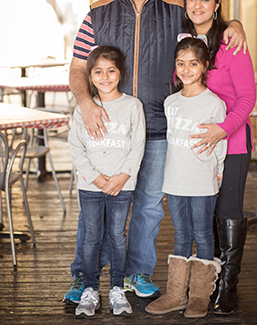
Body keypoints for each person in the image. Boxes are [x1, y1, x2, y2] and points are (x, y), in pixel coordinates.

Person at [63, 0, 247, 305]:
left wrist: (236, 23)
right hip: (108, 129)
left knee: (148, 205)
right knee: (96, 206)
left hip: (160, 127)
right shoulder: (97, 13)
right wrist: (85, 104)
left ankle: (135, 274)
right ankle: (85, 278)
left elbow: (206, 24)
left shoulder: (176, 10)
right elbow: (78, 67)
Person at [178, 0, 256, 314]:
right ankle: (208, 282)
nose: (198, 5)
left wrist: (222, 130)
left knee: (227, 212)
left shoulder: (231, 41)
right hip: (196, 144)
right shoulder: (181, 41)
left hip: (233, 140)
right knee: (205, 216)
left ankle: (229, 286)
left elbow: (247, 97)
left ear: (217, 4)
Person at [145, 36, 227, 318]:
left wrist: (217, 174)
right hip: (176, 179)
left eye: (193, 63)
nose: (186, 69)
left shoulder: (214, 104)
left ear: (205, 66)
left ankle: (199, 297)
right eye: (181, 63)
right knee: (181, 235)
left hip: (203, 180)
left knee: (203, 235)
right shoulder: (171, 102)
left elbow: (220, 145)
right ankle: (176, 294)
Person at [68, 45, 146, 317]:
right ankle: (90, 288)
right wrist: (97, 177)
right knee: (91, 237)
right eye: (98, 71)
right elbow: (76, 148)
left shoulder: (132, 106)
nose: (104, 76)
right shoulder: (83, 109)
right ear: (90, 77)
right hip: (91, 185)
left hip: (121, 185)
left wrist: (123, 176)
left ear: (120, 73)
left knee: (116, 236)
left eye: (111, 70)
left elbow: (138, 146)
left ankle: (116, 288)